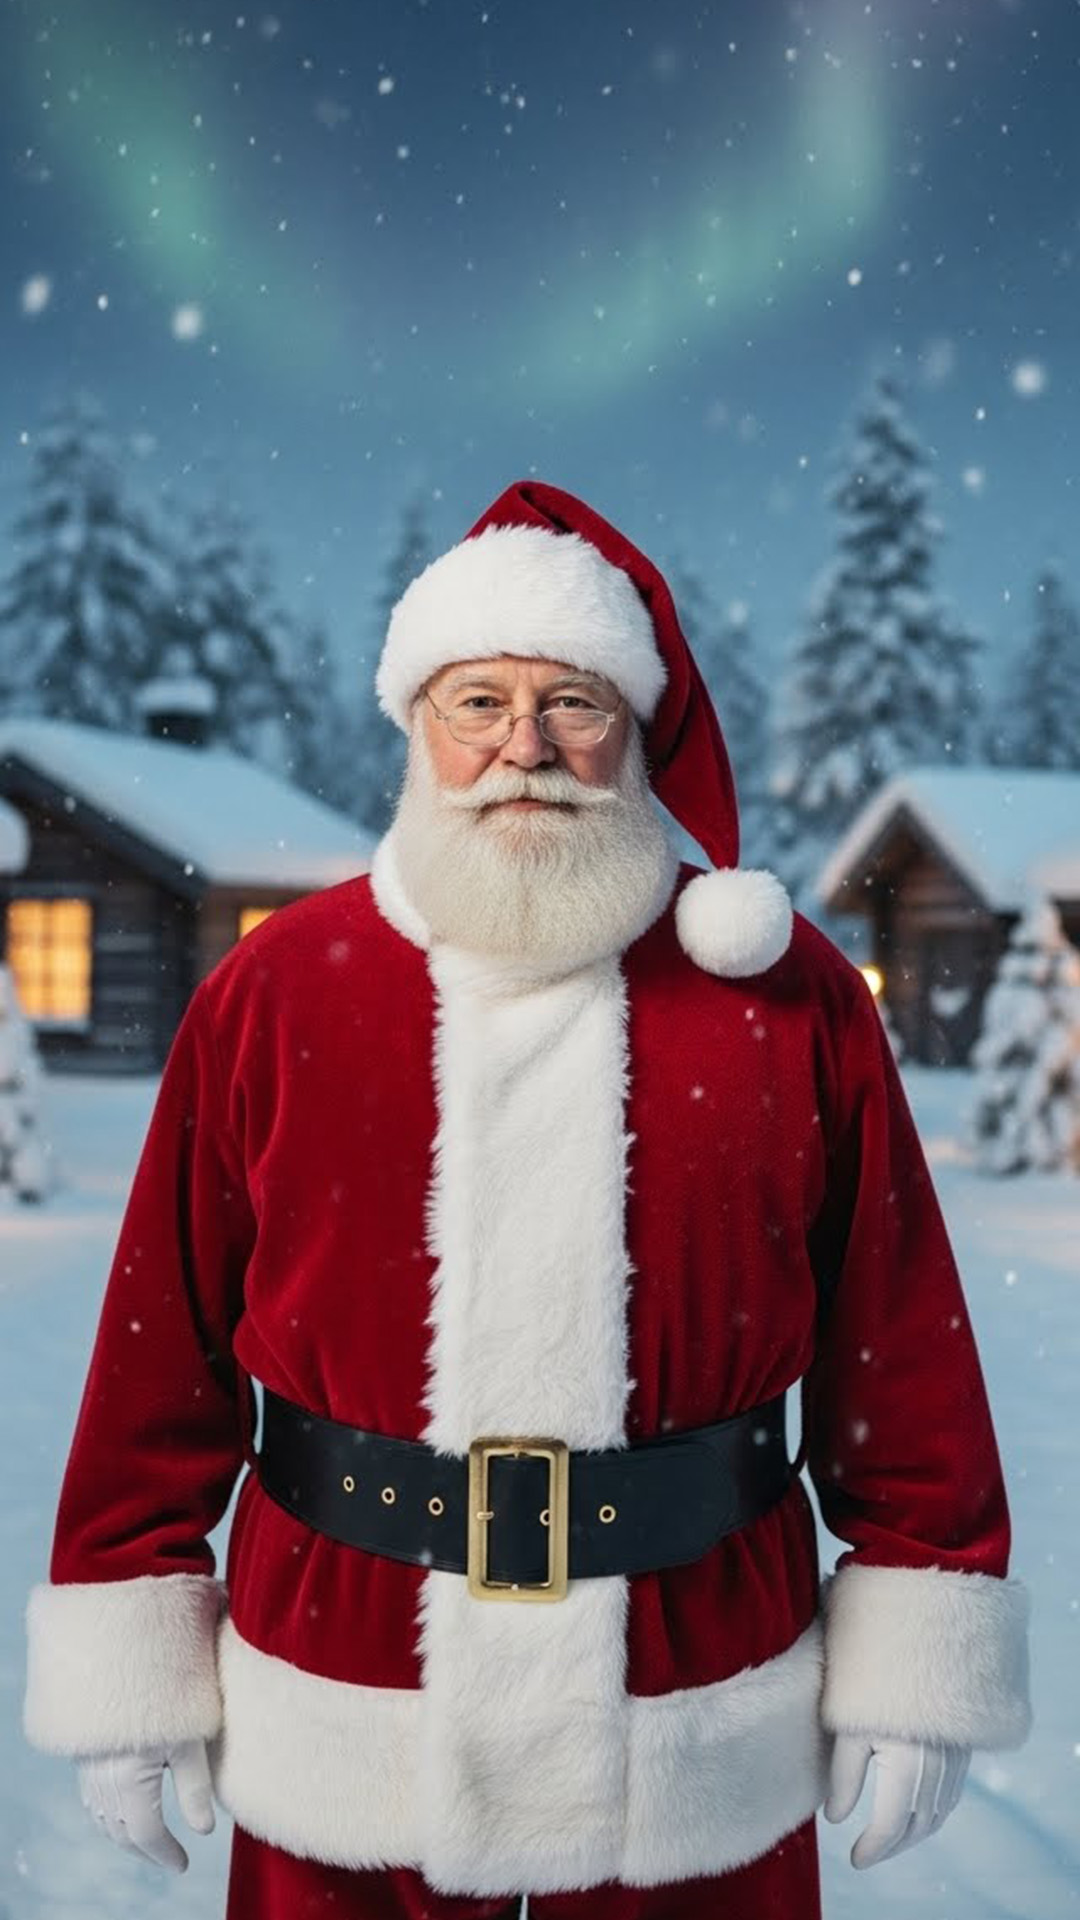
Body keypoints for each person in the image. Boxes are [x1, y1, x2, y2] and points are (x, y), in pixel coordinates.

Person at [24, 481, 1030, 1920]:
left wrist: (922, 1611)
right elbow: (159, 1351)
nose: (523, 746)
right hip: (350, 1684)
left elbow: (897, 1331)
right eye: (477, 699)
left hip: (693, 1695)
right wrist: (130, 1642)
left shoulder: (788, 998)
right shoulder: (277, 992)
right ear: (414, 723)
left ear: (636, 727)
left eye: (573, 701)